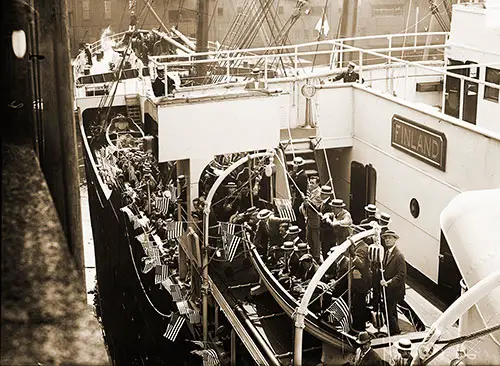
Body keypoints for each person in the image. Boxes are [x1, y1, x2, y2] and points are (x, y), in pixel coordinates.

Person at [380, 230, 406, 335]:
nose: (387, 240)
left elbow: (401, 275)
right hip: (388, 290)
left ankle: (395, 333)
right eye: (386, 238)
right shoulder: (386, 253)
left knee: (391, 314)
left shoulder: (399, 256)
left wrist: (388, 282)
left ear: (395, 240)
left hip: (394, 290)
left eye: (390, 238)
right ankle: (392, 331)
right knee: (389, 312)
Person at [300, 175, 322, 263]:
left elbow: (315, 206)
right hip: (309, 220)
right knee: (309, 239)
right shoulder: (312, 192)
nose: (310, 185)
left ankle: (316, 257)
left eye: (313, 183)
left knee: (315, 240)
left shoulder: (319, 193)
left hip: (315, 221)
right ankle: (311, 255)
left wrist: (307, 201)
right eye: (310, 183)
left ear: (318, 184)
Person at [319, 185, 335, 261]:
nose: (320, 195)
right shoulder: (323, 203)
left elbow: (331, 215)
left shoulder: (330, 205)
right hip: (323, 233)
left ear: (327, 195)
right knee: (324, 250)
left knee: (327, 251)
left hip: (329, 233)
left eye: (322, 194)